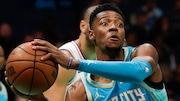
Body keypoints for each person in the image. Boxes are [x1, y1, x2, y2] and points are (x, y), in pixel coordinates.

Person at [6, 3, 168, 101]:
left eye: (119, 25)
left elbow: (137, 73)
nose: (114, 27)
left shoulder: (143, 52)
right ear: (91, 34)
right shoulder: (80, 90)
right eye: (105, 23)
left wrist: (73, 63)